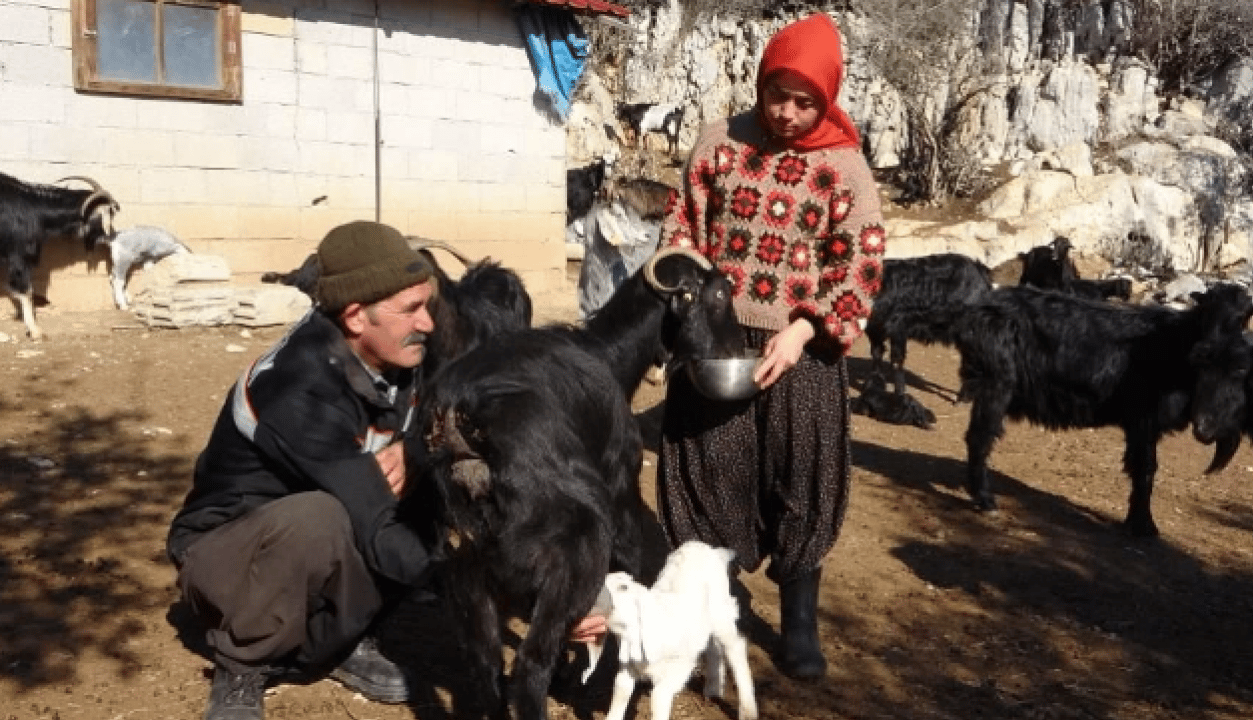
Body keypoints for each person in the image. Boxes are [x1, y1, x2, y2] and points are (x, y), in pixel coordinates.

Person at [167, 220, 607, 720]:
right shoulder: (297, 390)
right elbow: (375, 522)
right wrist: (528, 594)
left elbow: (424, 446)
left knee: (424, 498)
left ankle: (338, 641)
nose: (429, 323)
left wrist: (416, 449)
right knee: (327, 518)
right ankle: (243, 662)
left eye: (427, 304)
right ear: (356, 317)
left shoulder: (398, 355)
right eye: (412, 310)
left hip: (326, 537)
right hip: (230, 553)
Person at [655, 13, 885, 682]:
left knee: (801, 475)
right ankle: (714, 614)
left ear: (828, 98)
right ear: (760, 82)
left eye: (804, 100)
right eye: (776, 93)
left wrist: (806, 327)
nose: (786, 112)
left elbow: (861, 264)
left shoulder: (844, 168)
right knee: (708, 470)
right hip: (716, 336)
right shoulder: (717, 145)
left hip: (803, 346)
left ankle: (800, 622)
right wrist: (690, 301)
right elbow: (682, 233)